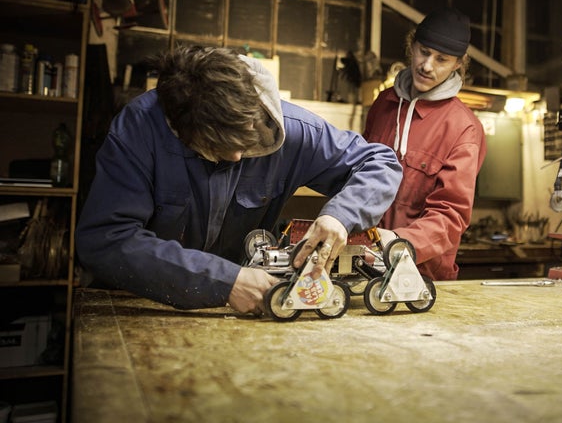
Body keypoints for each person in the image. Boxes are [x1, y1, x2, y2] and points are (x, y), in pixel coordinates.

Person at [75, 45, 402, 314]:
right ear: (180, 129)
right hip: (139, 306)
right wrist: (225, 281)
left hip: (248, 310)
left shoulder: (291, 129)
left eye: (245, 145)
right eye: (218, 148)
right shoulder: (140, 129)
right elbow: (106, 240)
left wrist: (340, 217)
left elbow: (379, 162)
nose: (235, 158)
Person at [363, 7, 487, 281]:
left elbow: (451, 215)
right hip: (365, 265)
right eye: (423, 51)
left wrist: (398, 241)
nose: (427, 65)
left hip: (422, 277)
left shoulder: (464, 127)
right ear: (412, 46)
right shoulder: (384, 104)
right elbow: (360, 175)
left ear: (458, 63)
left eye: (441, 59)